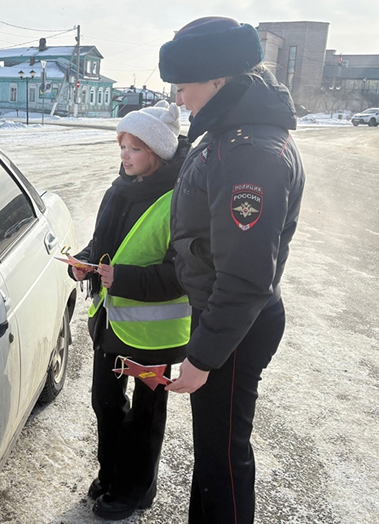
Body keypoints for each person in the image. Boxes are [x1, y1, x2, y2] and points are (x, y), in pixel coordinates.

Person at [158, 17, 306, 524]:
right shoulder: (231, 133)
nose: (179, 99)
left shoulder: (250, 154)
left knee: (223, 456)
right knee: (212, 450)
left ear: (217, 79)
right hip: (226, 318)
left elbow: (244, 278)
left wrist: (203, 356)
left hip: (236, 325)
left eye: (183, 86)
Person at [69, 101, 192, 520]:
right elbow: (103, 246)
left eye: (134, 148)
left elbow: (182, 274)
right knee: (104, 402)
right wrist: (83, 263)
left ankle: (135, 489)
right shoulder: (118, 190)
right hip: (112, 327)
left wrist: (121, 278)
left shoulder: (180, 200)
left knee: (145, 412)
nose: (124, 155)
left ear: (157, 154)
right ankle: (112, 473)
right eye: (122, 145)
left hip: (154, 337)